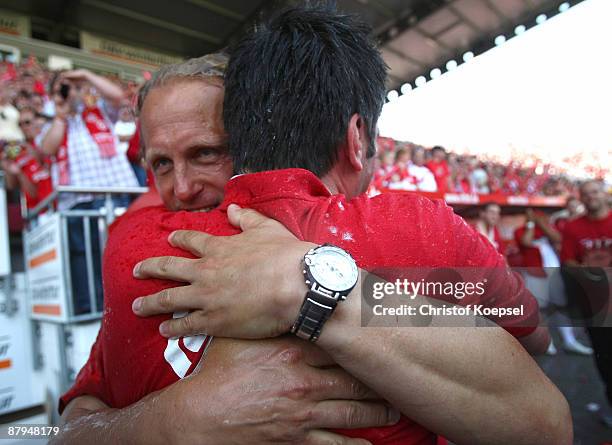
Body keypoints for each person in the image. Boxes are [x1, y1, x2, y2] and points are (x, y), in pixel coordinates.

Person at [58, 7, 570, 445]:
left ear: (253, 139)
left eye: (207, 153)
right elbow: (65, 429)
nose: (183, 188)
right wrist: (168, 421)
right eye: (161, 165)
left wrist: (306, 288)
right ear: (356, 138)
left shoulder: (398, 232)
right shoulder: (138, 249)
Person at [38, 69, 139, 313]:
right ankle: (92, 312)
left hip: (115, 195)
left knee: (123, 256)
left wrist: (84, 75)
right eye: (60, 89)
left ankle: (129, 309)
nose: (67, 92)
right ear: (52, 97)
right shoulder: (52, 124)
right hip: (78, 202)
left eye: (70, 87)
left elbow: (119, 97)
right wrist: (60, 115)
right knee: (85, 261)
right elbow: (47, 149)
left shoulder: (100, 112)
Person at [561, 180, 612, 427]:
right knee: (606, 361)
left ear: (604, 194)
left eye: (595, 192)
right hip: (597, 306)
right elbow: (568, 261)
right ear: (580, 198)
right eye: (586, 194)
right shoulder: (572, 227)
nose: (591, 197)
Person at [515, 209, 592, 355]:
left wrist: (542, 224)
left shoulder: (547, 230)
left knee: (561, 307)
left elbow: (557, 238)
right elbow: (526, 241)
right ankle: (546, 342)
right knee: (541, 309)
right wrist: (531, 223)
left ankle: (569, 341)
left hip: (554, 273)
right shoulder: (520, 230)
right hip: (535, 274)